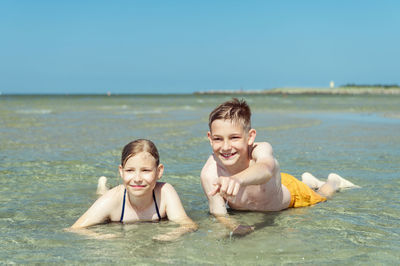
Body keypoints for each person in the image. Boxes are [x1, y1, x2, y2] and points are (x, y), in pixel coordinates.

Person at [200, 98, 359, 235]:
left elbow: (266, 169)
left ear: (250, 137)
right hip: (275, 186)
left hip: (291, 193)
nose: (226, 147)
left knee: (323, 196)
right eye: (218, 139)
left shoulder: (260, 149)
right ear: (210, 138)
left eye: (234, 137)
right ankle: (310, 181)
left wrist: (237, 179)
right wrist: (235, 227)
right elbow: (218, 212)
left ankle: (333, 182)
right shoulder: (210, 173)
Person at [70, 139, 198, 241]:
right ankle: (102, 187)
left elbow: (189, 225)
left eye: (145, 170)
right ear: (121, 171)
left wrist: (171, 235)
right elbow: (75, 229)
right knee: (102, 195)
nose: (137, 178)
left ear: (159, 171)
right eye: (130, 170)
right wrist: (103, 236)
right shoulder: (112, 200)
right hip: (114, 197)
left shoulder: (165, 192)